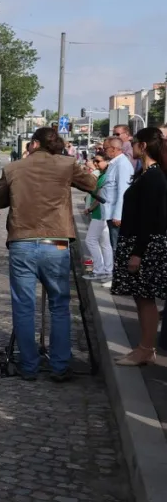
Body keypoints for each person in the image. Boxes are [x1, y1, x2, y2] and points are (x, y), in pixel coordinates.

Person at [0, 126, 98, 382]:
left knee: (23, 306)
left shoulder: (14, 168)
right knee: (59, 305)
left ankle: (29, 366)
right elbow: (92, 184)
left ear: (35, 144)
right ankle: (60, 366)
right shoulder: (67, 164)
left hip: (22, 241)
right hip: (55, 242)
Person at [110, 127, 167, 366]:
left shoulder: (153, 176)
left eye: (134, 142)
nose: (130, 146)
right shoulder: (146, 174)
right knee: (140, 297)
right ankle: (143, 348)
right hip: (140, 242)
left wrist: (137, 253)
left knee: (145, 298)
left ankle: (146, 349)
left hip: (145, 245)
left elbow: (149, 218)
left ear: (143, 146)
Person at [83, 152, 113, 283]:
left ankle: (99, 270)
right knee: (105, 243)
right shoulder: (102, 175)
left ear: (107, 161)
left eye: (98, 161)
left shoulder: (105, 176)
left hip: (99, 213)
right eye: (95, 160)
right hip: (101, 213)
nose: (95, 163)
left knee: (90, 240)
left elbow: (100, 197)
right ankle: (107, 270)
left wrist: (90, 208)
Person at [101, 136, 134, 251]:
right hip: (109, 212)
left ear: (114, 149)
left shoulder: (122, 164)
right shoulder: (114, 163)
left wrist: (118, 215)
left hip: (115, 215)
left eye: (105, 148)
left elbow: (123, 191)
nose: (104, 151)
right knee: (112, 245)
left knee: (116, 247)